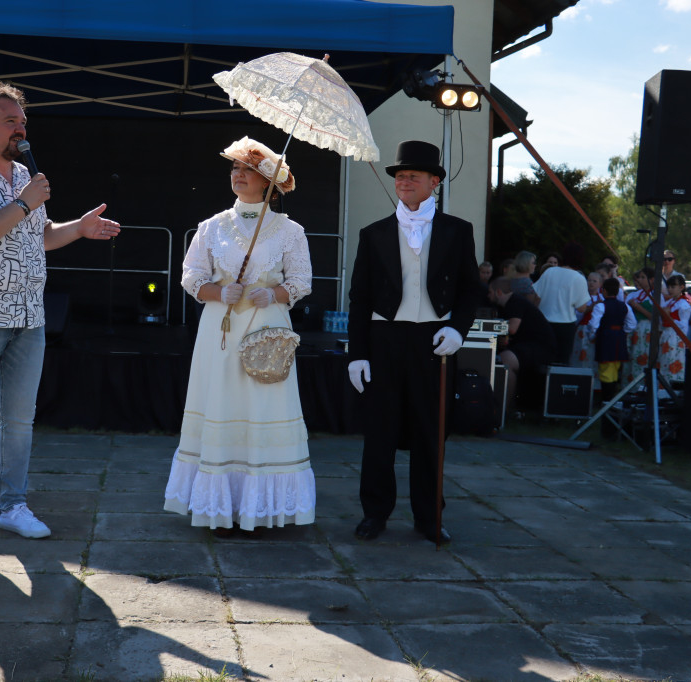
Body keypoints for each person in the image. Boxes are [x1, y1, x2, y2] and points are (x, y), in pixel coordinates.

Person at [0, 81, 121, 548]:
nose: (21, 129)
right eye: (11, 121)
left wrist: (78, 228)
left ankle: (13, 506)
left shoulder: (22, 177)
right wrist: (25, 202)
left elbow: (38, 235)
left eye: (23, 121)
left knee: (20, 420)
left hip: (28, 316)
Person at [163, 137, 315, 536]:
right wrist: (216, 292)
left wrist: (276, 293)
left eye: (247, 169)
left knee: (263, 406)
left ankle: (261, 507)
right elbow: (191, 276)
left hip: (268, 329)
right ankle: (220, 505)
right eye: (234, 168)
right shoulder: (212, 227)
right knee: (222, 402)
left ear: (268, 182)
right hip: (222, 331)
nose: (238, 174)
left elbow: (302, 280)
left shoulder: (290, 231)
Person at [346, 140, 478, 546]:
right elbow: (360, 298)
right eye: (400, 176)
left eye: (413, 176)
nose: (404, 181)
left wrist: (457, 329)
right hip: (385, 338)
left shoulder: (458, 231)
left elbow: (469, 291)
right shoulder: (374, 234)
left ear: (433, 182)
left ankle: (428, 517)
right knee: (380, 433)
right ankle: (374, 513)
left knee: (430, 432)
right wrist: (358, 354)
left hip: (432, 341)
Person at [488, 276, 556, 414]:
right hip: (530, 345)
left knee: (506, 361)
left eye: (490, 292)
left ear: (498, 292)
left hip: (540, 348)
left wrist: (489, 327)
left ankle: (502, 411)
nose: (488, 296)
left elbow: (512, 328)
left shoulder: (515, 302)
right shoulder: (509, 304)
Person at [533, 242, 590, 365]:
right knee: (560, 363)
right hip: (565, 326)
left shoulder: (549, 272)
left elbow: (536, 296)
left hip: (543, 323)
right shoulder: (578, 278)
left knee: (541, 360)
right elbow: (581, 308)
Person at [588, 277, 636, 415]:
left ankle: (607, 401)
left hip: (605, 338)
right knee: (615, 369)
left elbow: (593, 324)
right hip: (619, 338)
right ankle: (611, 400)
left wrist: (593, 336)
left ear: (604, 291)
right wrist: (621, 332)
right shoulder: (625, 306)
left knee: (605, 370)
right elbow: (632, 324)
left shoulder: (600, 306)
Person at [623, 267, 658, 384]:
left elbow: (655, 317)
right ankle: (629, 387)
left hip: (647, 330)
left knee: (644, 356)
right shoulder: (633, 295)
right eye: (639, 277)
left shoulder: (656, 296)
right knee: (631, 357)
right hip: (633, 330)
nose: (640, 280)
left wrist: (638, 308)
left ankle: (642, 386)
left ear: (652, 280)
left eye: (643, 277)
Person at [571, 270, 604, 380]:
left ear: (600, 284)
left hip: (596, 331)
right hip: (583, 329)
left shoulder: (602, 298)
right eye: (589, 280)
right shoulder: (582, 297)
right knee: (581, 353)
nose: (591, 283)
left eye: (594, 281)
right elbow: (578, 315)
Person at [659, 274, 691, 384]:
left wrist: (669, 317)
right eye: (669, 287)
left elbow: (683, 324)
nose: (670, 290)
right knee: (665, 362)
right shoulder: (670, 302)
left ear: (681, 287)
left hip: (676, 337)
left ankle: (673, 389)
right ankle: (663, 387)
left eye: (673, 287)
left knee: (673, 361)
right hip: (666, 335)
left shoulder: (683, 305)